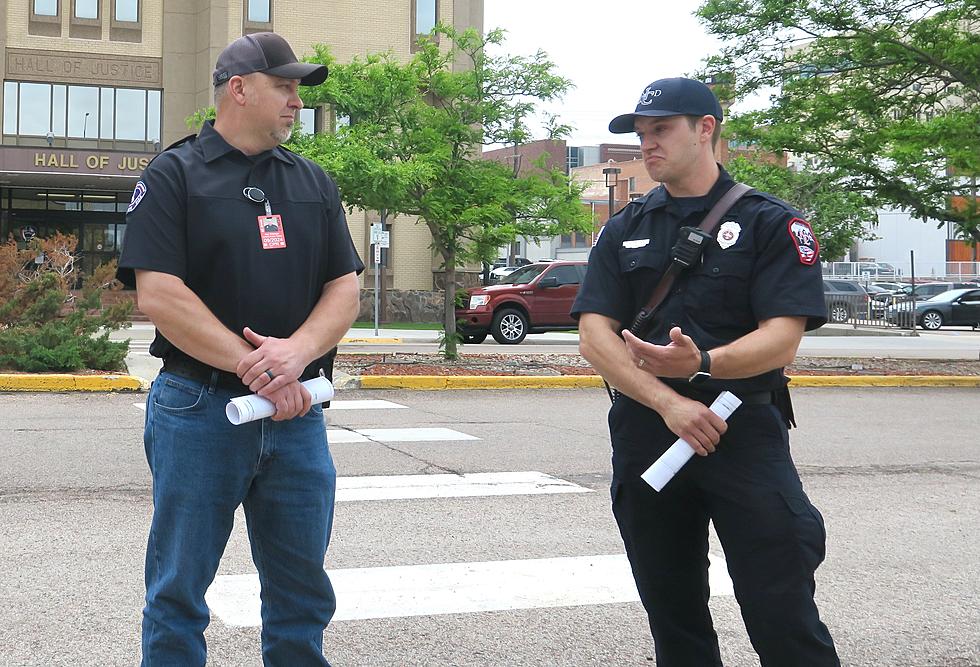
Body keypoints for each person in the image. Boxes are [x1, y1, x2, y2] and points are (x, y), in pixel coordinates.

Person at [571, 77, 840, 666]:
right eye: (642, 135)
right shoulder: (625, 227)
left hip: (739, 428)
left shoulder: (771, 223)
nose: (648, 146)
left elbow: (782, 338)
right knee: (672, 610)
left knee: (781, 606)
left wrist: (706, 365)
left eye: (661, 130)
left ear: (706, 129)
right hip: (650, 431)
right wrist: (668, 402)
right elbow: (595, 336)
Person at [117, 31, 364, 666]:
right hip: (199, 409)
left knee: (301, 591)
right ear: (239, 89)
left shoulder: (311, 182)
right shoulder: (175, 174)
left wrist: (296, 355)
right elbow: (159, 294)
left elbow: (345, 287)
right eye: (283, 87)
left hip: (295, 418)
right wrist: (256, 366)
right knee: (179, 591)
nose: (295, 103)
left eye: (298, 91)